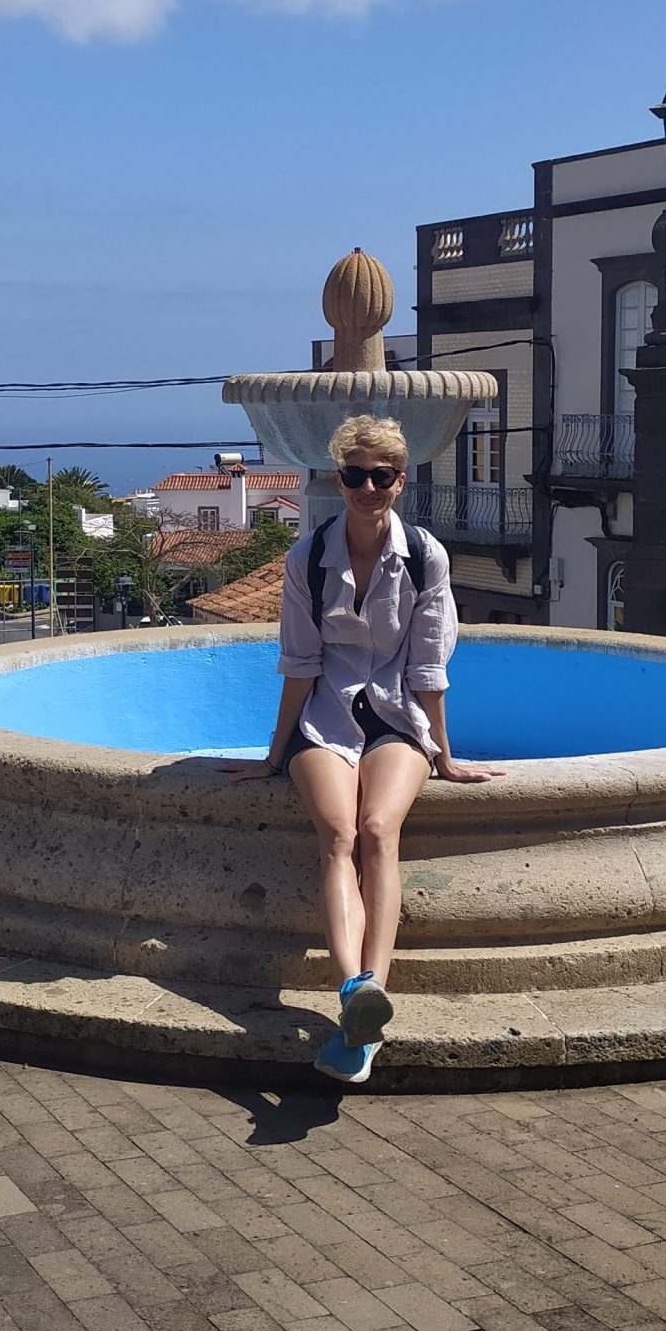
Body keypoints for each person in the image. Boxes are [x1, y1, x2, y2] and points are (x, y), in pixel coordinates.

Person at [236, 414, 495, 1081]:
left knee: (379, 830)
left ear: (401, 481)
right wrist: (274, 755)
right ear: (339, 478)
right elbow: (299, 664)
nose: (368, 488)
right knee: (338, 836)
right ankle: (354, 991)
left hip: (396, 718)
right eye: (356, 475)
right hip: (323, 718)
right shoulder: (307, 558)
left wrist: (444, 754)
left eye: (382, 476)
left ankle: (370, 989)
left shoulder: (426, 558)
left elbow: (429, 669)